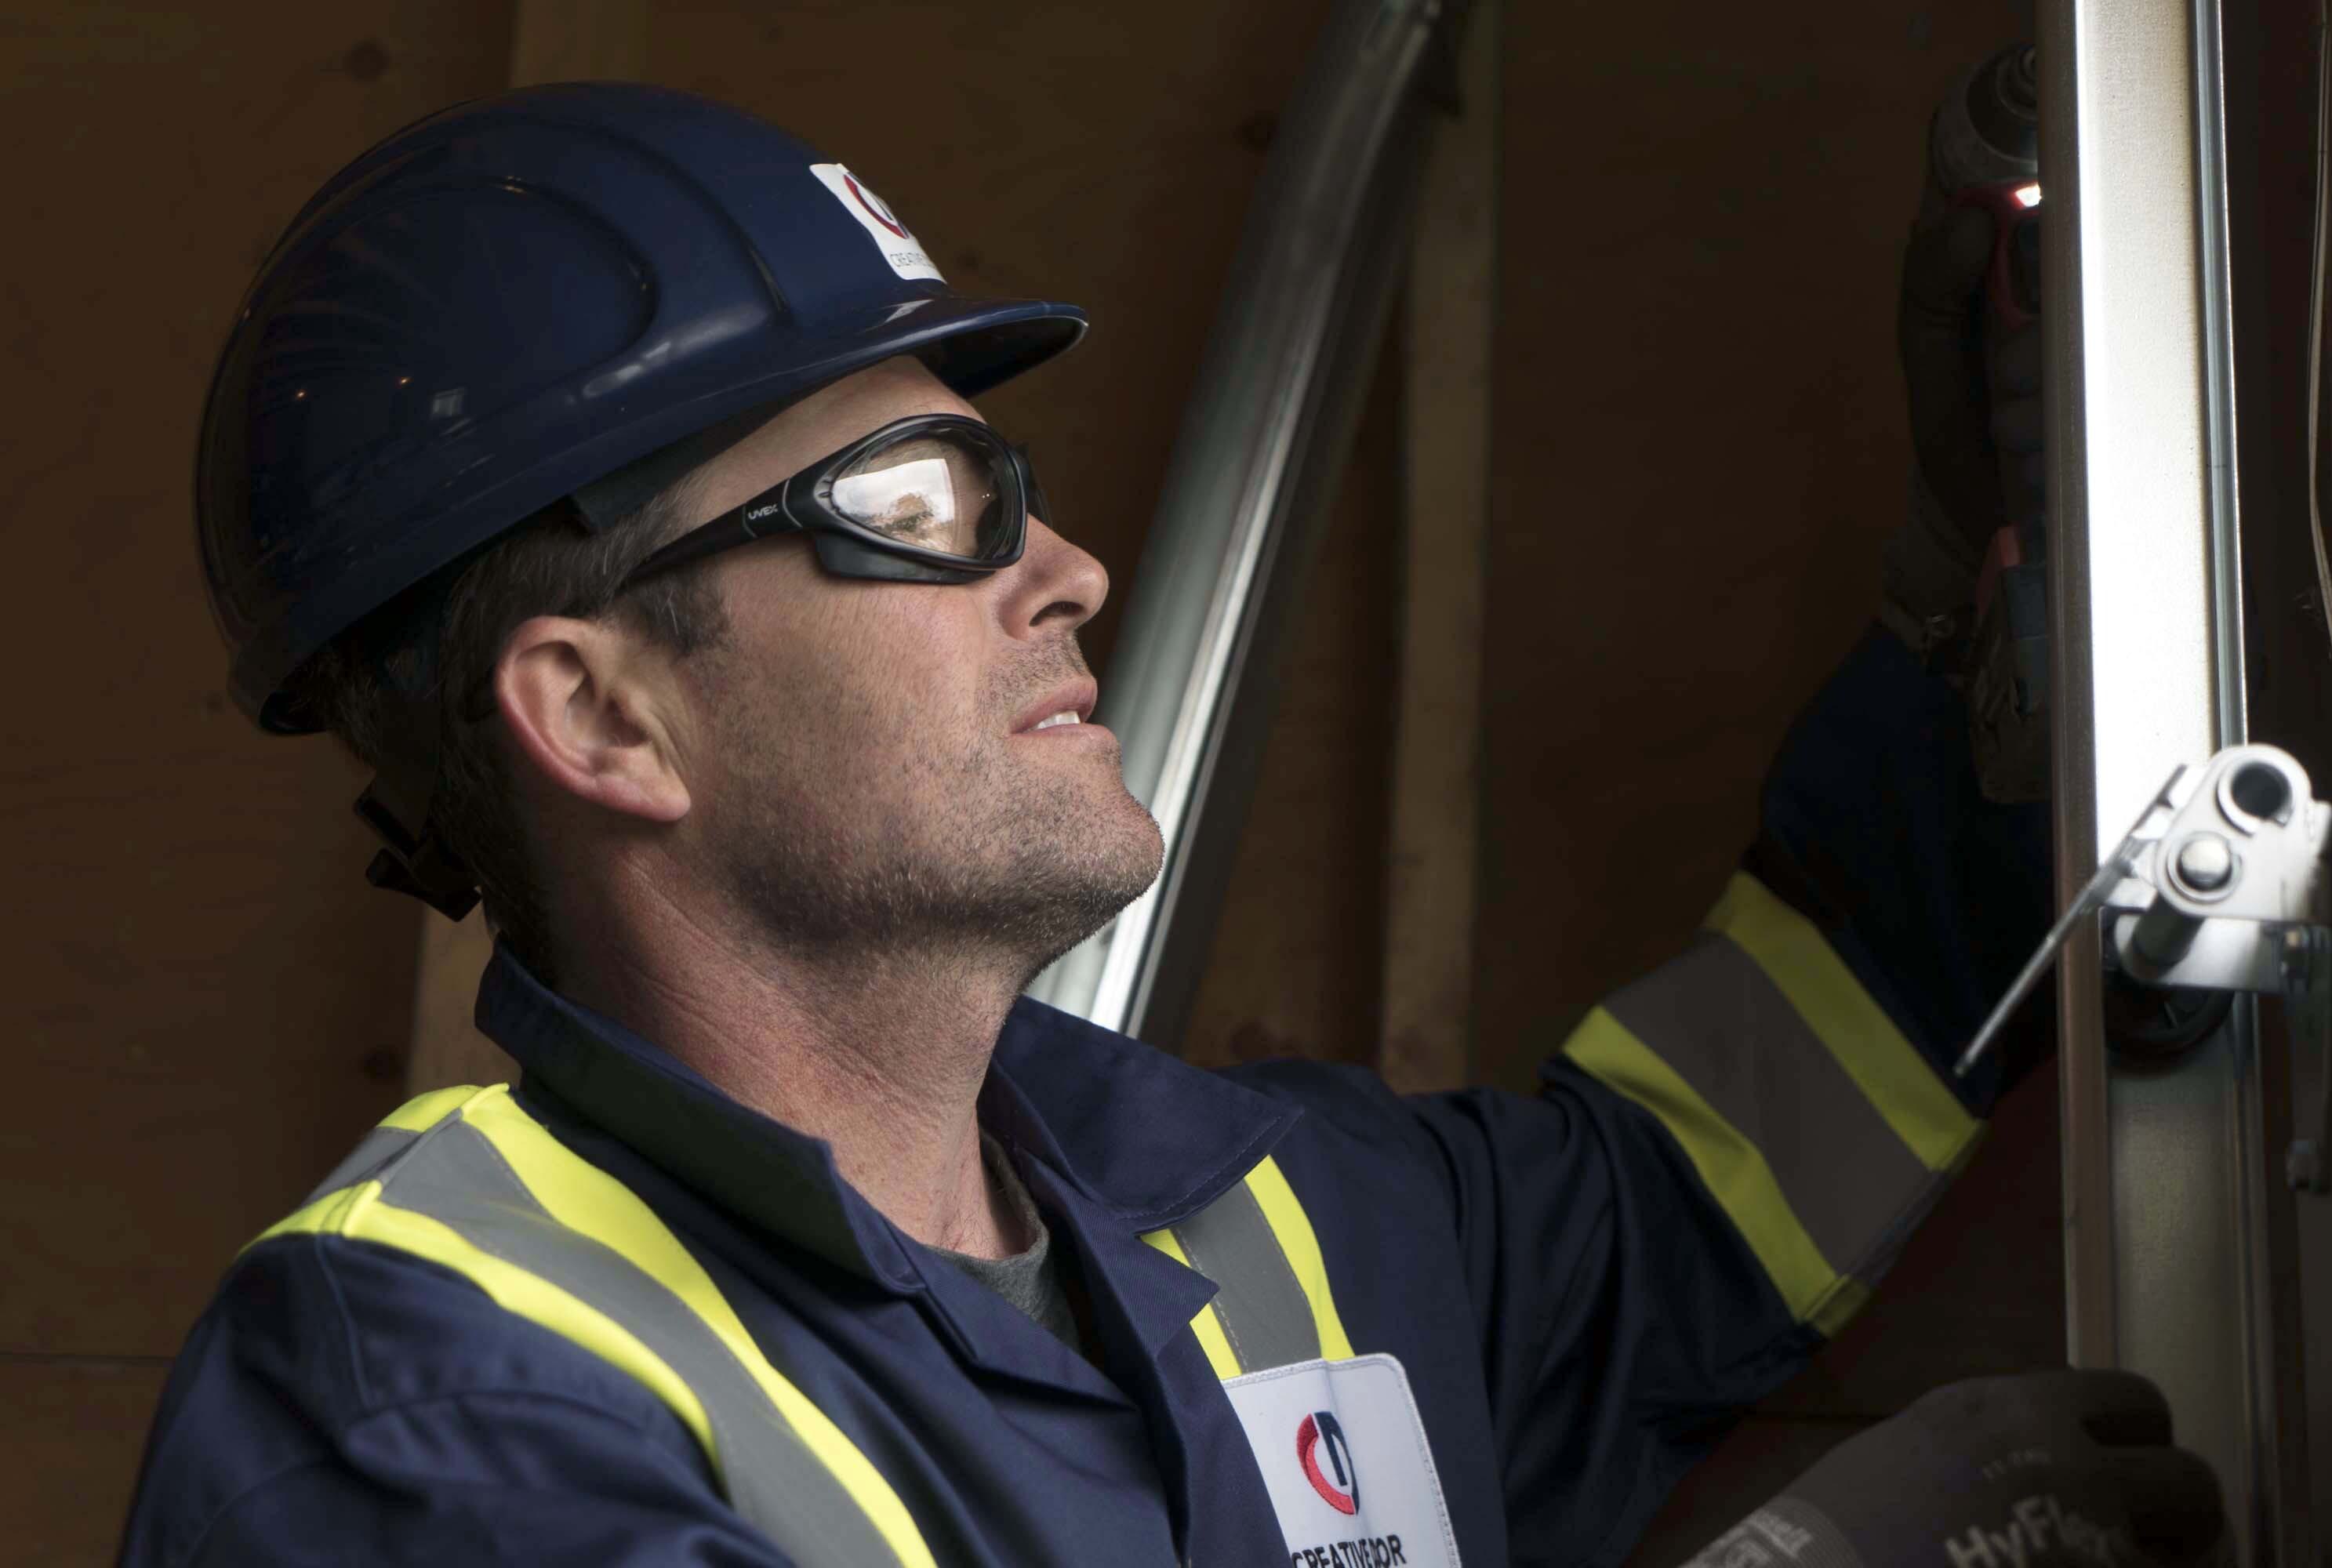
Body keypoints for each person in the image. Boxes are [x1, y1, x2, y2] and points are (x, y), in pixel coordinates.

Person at [118, 82, 2220, 1567]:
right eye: (921, 512)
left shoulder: (1252, 1212)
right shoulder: (434, 1402)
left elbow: (1728, 1163)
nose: (1067, 572)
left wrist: (1984, 620)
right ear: (602, 715)